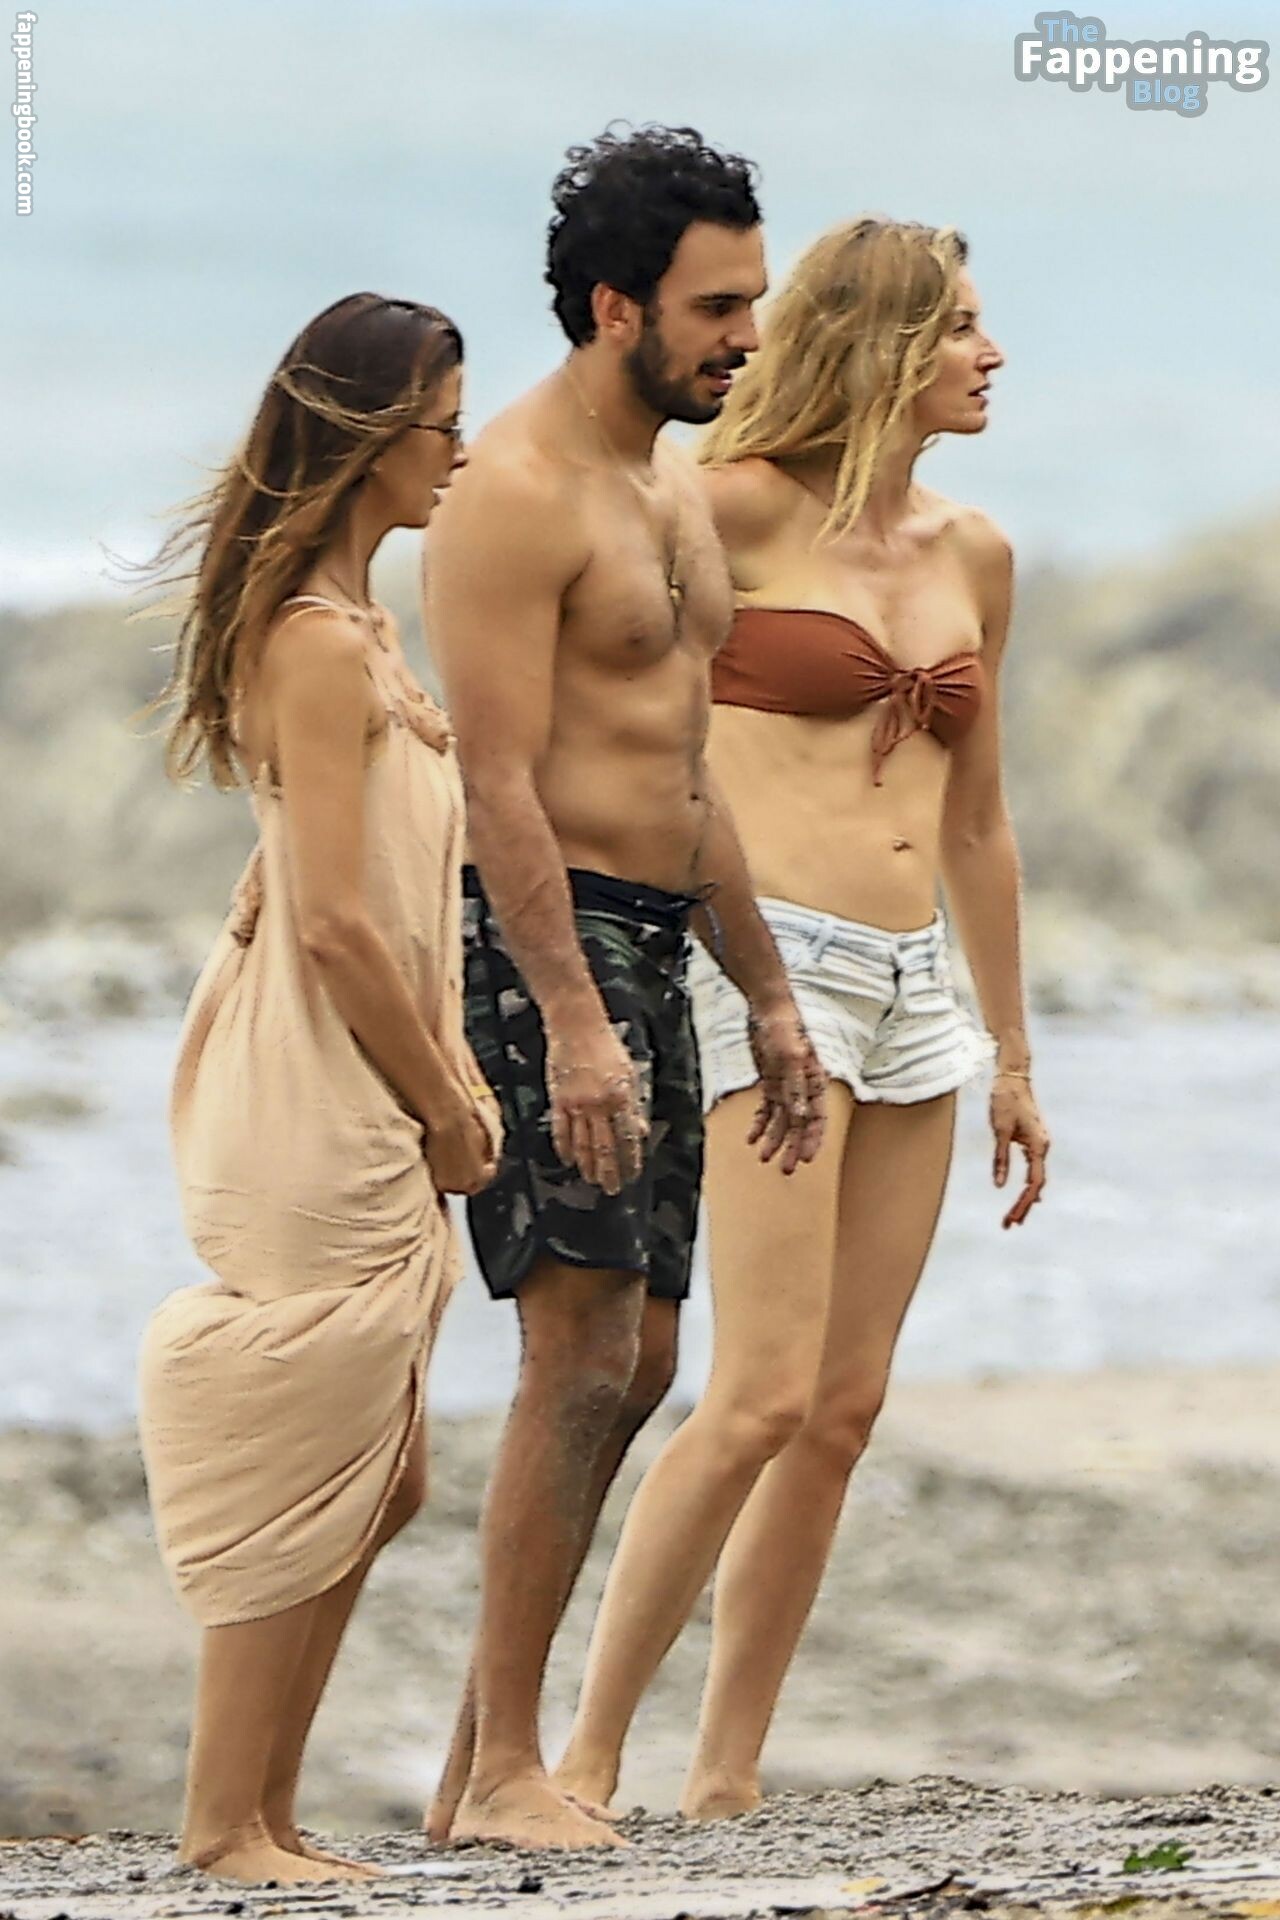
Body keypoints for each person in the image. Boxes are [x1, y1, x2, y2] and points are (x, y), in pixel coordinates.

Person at [555, 217, 1051, 1821]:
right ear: (876, 344)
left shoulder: (977, 553)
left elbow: (979, 821)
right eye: (959, 327)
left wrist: (1013, 1050)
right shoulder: (726, 506)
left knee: (840, 1411)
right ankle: (582, 1757)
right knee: (759, 1391)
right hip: (773, 974)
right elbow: (600, 683)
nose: (989, 354)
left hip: (915, 992)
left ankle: (725, 1774)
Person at [422, 126, 826, 1852]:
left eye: (755, 299)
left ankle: (474, 1769)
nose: (749, 336)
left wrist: (771, 993)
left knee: (645, 1357)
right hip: (545, 937)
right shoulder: (513, 494)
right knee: (579, 1347)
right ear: (614, 307)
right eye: (718, 307)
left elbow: (686, 767)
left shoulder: (667, 488)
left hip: (659, 934)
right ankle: (508, 1768)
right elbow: (497, 784)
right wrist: (573, 1026)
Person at [137, 292, 501, 1885]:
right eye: (443, 430)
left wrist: (445, 1070)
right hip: (316, 1083)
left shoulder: (362, 629)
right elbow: (340, 922)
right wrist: (445, 1101)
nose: (460, 457)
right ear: (368, 440)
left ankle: (266, 1814)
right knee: (309, 1440)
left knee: (383, 1461)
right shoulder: (309, 640)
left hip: (367, 1067)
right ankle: (224, 1824)